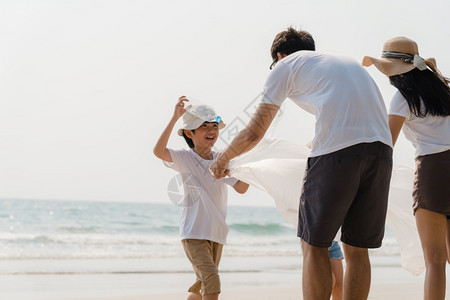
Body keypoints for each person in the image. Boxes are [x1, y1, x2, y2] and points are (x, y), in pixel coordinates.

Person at [211, 27, 393, 300]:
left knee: (314, 244)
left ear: (280, 55)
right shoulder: (344, 63)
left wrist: (224, 158)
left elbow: (254, 132)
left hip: (339, 154)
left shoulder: (285, 66)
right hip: (382, 151)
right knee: (356, 248)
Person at [363, 36, 450, 300]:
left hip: (432, 172)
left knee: (435, 261)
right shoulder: (445, 91)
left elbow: (386, 143)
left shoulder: (403, 98)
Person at [153, 96, 249, 300]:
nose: (211, 131)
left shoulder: (222, 160)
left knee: (201, 290)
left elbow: (241, 187)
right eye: (204, 127)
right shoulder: (185, 158)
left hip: (217, 234)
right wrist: (174, 118)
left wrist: (250, 168)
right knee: (212, 282)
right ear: (189, 133)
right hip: (194, 233)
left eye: (214, 126)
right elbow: (158, 151)